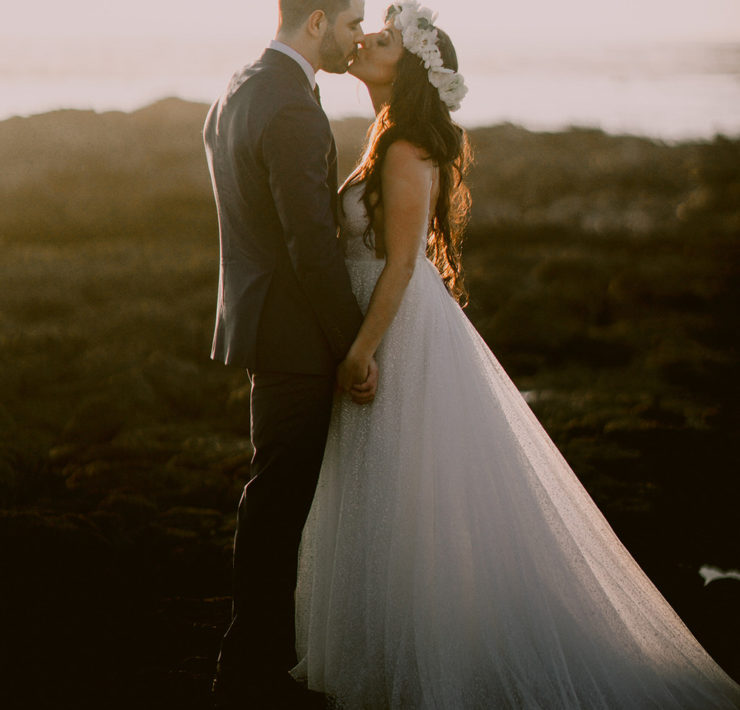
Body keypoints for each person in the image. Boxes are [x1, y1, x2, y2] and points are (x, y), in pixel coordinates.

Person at [290, 2, 740, 707]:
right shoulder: (389, 137)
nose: (363, 43)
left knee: (406, 494)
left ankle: (419, 659)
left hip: (396, 338)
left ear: (404, 70)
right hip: (386, 332)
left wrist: (360, 352)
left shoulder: (406, 148)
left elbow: (403, 265)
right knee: (392, 494)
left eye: (379, 39)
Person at [202, 1, 379, 707]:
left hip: (263, 325)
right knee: (278, 504)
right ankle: (248, 670)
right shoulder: (293, 110)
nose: (357, 35)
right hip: (296, 338)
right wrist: (355, 347)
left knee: (274, 499)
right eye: (351, 21)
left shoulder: (239, 88)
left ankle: (257, 663)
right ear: (317, 22)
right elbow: (312, 249)